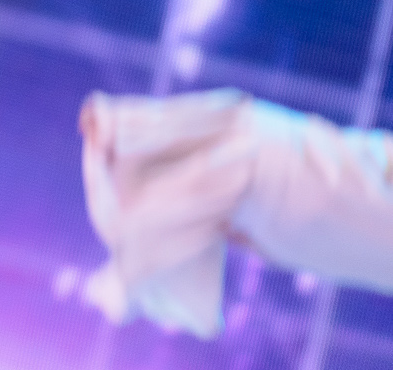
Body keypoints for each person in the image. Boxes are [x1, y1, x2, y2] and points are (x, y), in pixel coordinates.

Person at [81, 89, 393, 337]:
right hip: (295, 186)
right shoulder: (231, 143)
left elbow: (146, 261)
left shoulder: (229, 154)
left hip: (293, 188)